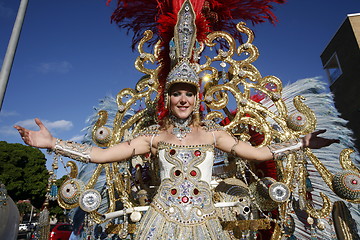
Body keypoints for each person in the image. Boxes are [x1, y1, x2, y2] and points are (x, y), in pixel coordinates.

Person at [14, 60, 338, 239]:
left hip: (206, 224)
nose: (183, 99)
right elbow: (101, 155)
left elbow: (259, 154)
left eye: (189, 93)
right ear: (168, 99)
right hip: (160, 224)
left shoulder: (213, 134)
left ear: (197, 99)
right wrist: (52, 142)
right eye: (176, 93)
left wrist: (301, 142)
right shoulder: (153, 137)